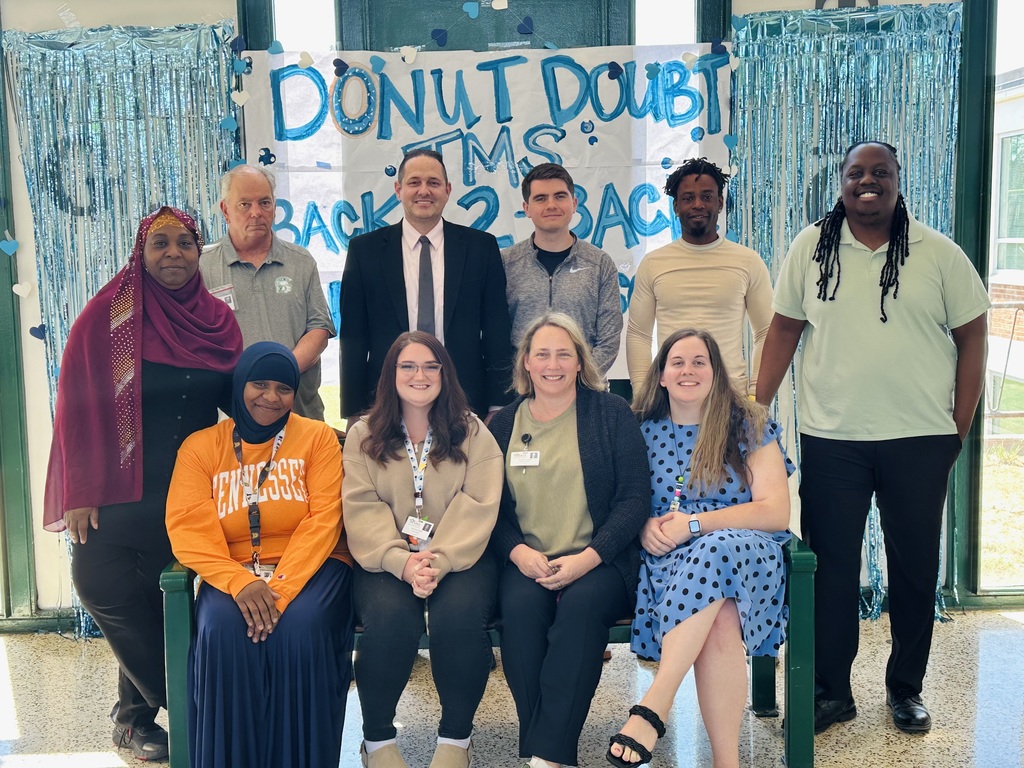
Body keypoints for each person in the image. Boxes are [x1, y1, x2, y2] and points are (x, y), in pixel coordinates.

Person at [756, 141, 989, 735]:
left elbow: (973, 337)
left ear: (896, 182)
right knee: (830, 569)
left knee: (914, 569)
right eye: (856, 173)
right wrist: (756, 410)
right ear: (841, 183)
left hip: (920, 438)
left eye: (879, 172)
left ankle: (906, 690)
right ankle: (832, 692)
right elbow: (783, 330)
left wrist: (954, 430)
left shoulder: (938, 253)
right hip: (833, 437)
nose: (868, 181)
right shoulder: (811, 248)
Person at [43, 206, 243, 761]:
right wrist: (79, 487)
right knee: (101, 585)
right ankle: (190, 705)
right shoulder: (109, 314)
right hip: (114, 489)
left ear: (199, 250)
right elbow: (74, 404)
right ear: (141, 251)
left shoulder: (217, 322)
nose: (173, 254)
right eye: (160, 244)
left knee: (165, 602)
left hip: (187, 496)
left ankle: (132, 721)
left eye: (184, 243)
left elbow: (240, 403)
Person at [607, 329, 793, 768]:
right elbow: (623, 502)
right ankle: (727, 764)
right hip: (671, 561)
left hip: (748, 553)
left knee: (717, 550)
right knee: (723, 618)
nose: (687, 370)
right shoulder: (639, 429)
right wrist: (642, 527)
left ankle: (654, 706)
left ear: (716, 373)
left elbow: (775, 512)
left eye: (699, 362)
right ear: (663, 375)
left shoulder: (748, 423)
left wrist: (696, 524)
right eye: (677, 362)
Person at [165, 341, 355, 768]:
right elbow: (189, 529)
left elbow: (324, 520)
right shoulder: (201, 448)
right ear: (240, 383)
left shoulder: (318, 439)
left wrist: (280, 591)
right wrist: (241, 582)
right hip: (232, 569)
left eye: (284, 389)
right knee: (221, 628)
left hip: (313, 565)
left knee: (301, 628)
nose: (272, 397)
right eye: (260, 384)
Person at [488, 312, 649, 768]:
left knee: (579, 611)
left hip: (600, 561)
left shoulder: (610, 412)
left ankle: (543, 757)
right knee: (519, 611)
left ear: (581, 362)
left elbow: (635, 498)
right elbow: (489, 508)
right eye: (542, 354)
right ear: (526, 363)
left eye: (564, 353)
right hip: (527, 560)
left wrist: (589, 559)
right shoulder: (502, 426)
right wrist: (517, 552)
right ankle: (550, 752)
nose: (553, 363)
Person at [342, 331, 503, 768]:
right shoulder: (362, 435)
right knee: (390, 620)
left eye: (431, 366)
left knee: (458, 620)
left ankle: (456, 739)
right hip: (385, 558)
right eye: (408, 366)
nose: (420, 375)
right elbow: (361, 505)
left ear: (445, 374)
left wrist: (439, 558)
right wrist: (402, 562)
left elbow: (480, 501)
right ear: (390, 375)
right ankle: (376, 741)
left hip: (460, 556)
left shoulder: (472, 432)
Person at [340, 148, 513, 419]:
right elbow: (353, 337)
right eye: (414, 182)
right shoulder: (365, 251)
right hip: (386, 402)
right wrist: (353, 411)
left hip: (464, 398)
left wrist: (497, 406)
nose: (424, 191)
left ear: (447, 190)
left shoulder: (481, 248)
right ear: (398, 190)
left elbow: (497, 332)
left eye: (433, 183)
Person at [626, 158, 773, 396]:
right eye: (687, 198)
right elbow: (639, 334)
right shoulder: (654, 264)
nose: (697, 204)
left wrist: (756, 394)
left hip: (731, 398)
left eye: (706, 197)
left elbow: (766, 331)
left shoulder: (748, 261)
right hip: (671, 399)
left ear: (720, 203)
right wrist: (644, 396)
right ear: (676, 207)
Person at [202, 164, 335, 420]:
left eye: (264, 202)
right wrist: (254, 387)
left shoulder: (301, 261)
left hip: (301, 415)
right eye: (244, 204)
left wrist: (281, 375)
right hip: (231, 417)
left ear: (275, 206)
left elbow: (319, 328)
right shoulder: (202, 266)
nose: (256, 213)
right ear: (225, 210)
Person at [501, 162, 623, 376]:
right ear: (526, 208)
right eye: (540, 198)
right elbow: (497, 336)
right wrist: (525, 381)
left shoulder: (600, 264)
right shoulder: (505, 263)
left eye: (560, 196)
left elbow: (609, 339)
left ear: (574, 203)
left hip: (585, 391)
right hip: (520, 391)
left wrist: (576, 379)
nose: (551, 205)